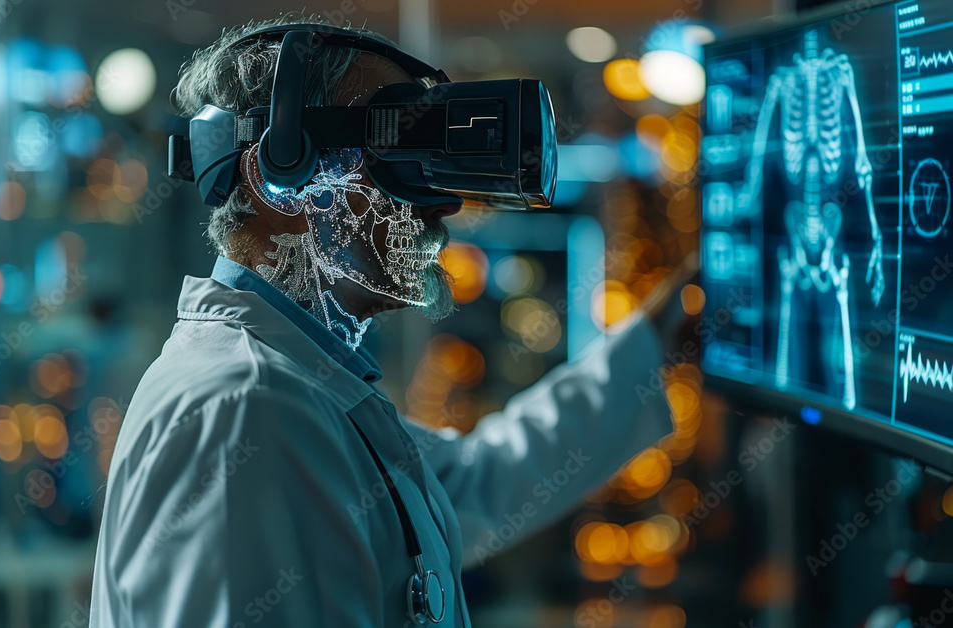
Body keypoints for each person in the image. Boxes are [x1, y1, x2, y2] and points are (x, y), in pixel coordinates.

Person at [89, 13, 683, 627]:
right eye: (398, 147)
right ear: (277, 177)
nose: (443, 202)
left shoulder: (302, 383)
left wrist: (662, 334)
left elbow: (474, 485)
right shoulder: (245, 410)